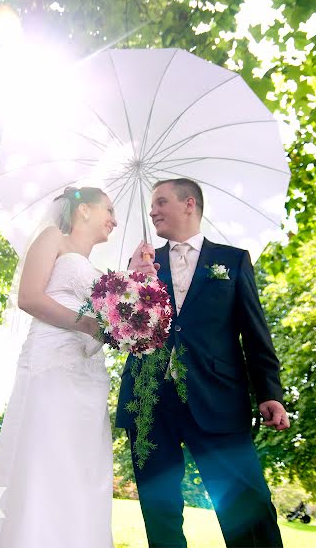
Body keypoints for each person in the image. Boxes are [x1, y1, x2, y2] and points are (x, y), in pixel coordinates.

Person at [116, 178, 290, 548]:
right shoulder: (142, 264)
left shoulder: (232, 260)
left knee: (248, 506)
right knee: (159, 511)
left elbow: (254, 332)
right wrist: (134, 282)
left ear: (189, 203)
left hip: (218, 398)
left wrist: (269, 391)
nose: (152, 211)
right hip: (150, 402)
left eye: (161, 202)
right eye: (152, 205)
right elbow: (125, 338)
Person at [0, 186, 117, 548]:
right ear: (83, 210)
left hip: (89, 376)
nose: (114, 220)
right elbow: (29, 297)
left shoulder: (102, 274)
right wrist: (84, 323)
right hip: (50, 363)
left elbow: (113, 323)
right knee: (43, 456)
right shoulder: (54, 239)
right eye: (108, 210)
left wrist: (138, 282)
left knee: (82, 468)